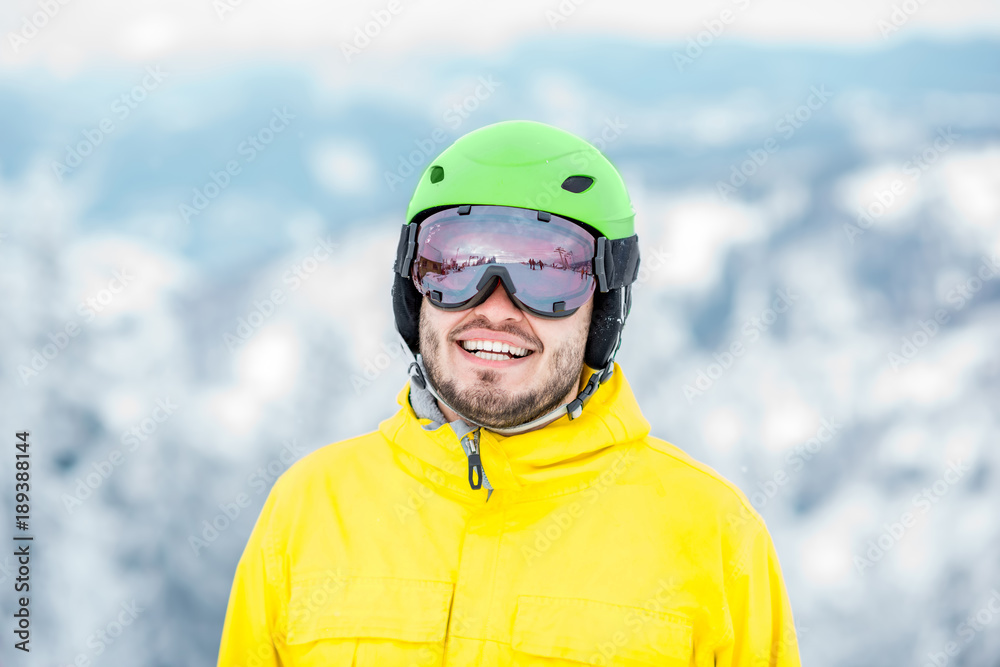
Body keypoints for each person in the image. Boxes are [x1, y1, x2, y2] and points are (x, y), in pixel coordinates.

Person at [217, 120, 801, 666]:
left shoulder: (711, 535)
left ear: (603, 310)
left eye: (547, 274)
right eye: (457, 265)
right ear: (412, 291)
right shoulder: (310, 509)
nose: (495, 307)